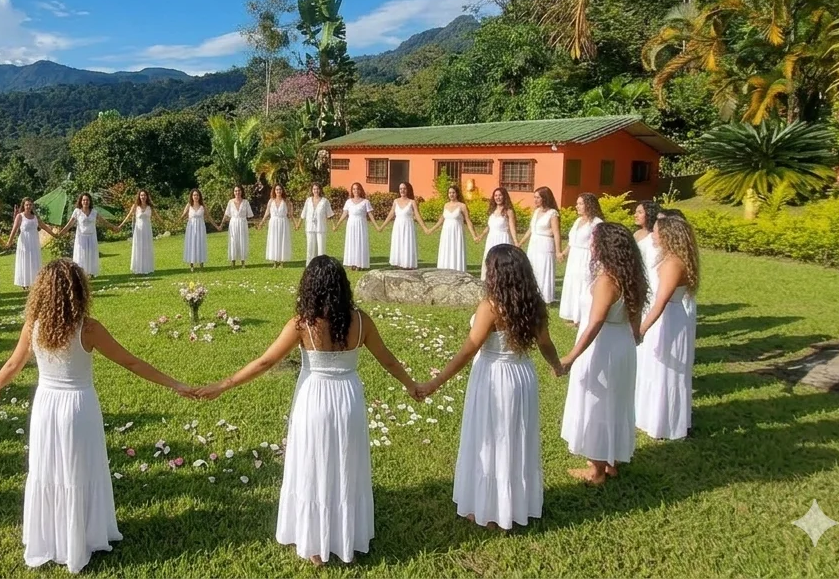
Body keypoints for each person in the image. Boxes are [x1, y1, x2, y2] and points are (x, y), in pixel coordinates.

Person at [194, 255, 421, 566]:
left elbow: (265, 362)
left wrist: (223, 385)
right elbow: (390, 361)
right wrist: (412, 385)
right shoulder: (361, 321)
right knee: (345, 465)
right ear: (342, 286)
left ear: (309, 287)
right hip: (348, 400)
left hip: (314, 399)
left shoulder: (303, 324)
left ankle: (316, 544)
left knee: (314, 466)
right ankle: (346, 538)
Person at [0, 259, 191, 573]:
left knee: (48, 469)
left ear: (41, 292)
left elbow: (13, 364)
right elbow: (130, 362)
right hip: (79, 407)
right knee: (80, 470)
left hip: (46, 407)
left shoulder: (34, 326)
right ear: (78, 290)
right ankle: (83, 537)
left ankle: (52, 537)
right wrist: (175, 383)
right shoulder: (88, 328)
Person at [416, 245, 564, 531]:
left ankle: (489, 508)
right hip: (522, 376)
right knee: (514, 439)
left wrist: (434, 383)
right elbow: (546, 344)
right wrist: (556, 365)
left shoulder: (491, 307)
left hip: (494, 377)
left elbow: (467, 351)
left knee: (491, 437)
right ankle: (513, 505)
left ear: (495, 273)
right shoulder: (533, 302)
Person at [559, 222, 647, 485]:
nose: (592, 245)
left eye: (595, 240)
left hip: (603, 346)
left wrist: (571, 356)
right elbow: (635, 316)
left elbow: (595, 322)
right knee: (615, 403)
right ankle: (609, 461)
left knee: (596, 403)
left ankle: (597, 471)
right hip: (622, 343)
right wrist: (635, 336)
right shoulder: (632, 275)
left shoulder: (608, 279)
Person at [635, 213, 701, 441]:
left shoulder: (673, 263)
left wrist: (641, 329)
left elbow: (661, 301)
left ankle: (664, 422)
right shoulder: (669, 258)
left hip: (667, 320)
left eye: (656, 231)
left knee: (665, 371)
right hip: (667, 317)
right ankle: (649, 416)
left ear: (667, 235)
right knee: (653, 368)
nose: (652, 235)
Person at [559, 194, 604, 326]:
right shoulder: (578, 221)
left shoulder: (596, 223)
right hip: (574, 257)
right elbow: (572, 242)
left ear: (589, 205)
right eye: (577, 203)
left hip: (586, 257)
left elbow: (599, 244)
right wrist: (564, 253)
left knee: (583, 284)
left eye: (580, 204)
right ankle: (572, 314)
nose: (577, 206)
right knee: (572, 284)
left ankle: (581, 317)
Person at [520, 188, 561, 304]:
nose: (535, 200)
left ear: (545, 198)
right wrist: (521, 242)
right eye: (535, 197)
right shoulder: (536, 211)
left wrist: (558, 251)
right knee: (532, 267)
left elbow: (556, 232)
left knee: (543, 269)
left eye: (538, 197)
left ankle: (544, 296)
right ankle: (532, 293)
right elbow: (531, 229)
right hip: (534, 243)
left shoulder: (552, 213)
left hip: (545, 244)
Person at [8, 199, 59, 290]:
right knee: (25, 260)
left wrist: (54, 234)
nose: (28, 206)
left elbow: (44, 226)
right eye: (27, 205)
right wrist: (9, 242)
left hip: (34, 241)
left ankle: (35, 281)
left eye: (30, 205)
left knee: (34, 260)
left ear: (32, 206)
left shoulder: (35, 217)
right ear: (23, 206)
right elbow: (14, 229)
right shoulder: (20, 216)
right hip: (24, 242)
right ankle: (24, 282)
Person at [62, 193, 114, 278]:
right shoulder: (77, 211)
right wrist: (61, 233)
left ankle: (90, 272)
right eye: (84, 200)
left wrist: (113, 228)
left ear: (90, 201)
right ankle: (81, 273)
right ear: (81, 201)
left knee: (91, 255)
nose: (85, 202)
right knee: (81, 256)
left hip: (92, 237)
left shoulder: (94, 212)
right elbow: (70, 224)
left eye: (87, 200)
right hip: (81, 238)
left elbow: (104, 222)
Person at [378, 182, 426, 270]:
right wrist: (382, 226)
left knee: (407, 243)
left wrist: (424, 228)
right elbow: (391, 214)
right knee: (398, 242)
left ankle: (407, 263)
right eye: (400, 189)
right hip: (398, 226)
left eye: (404, 188)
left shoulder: (412, 202)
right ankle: (398, 262)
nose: (402, 190)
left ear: (408, 190)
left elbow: (417, 215)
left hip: (408, 227)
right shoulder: (395, 201)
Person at [430, 185, 476, 272]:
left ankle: (457, 269)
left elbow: (468, 221)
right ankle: (444, 270)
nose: (451, 194)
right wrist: (431, 229)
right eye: (450, 193)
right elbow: (441, 220)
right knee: (446, 250)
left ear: (457, 194)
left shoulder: (462, 206)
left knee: (456, 250)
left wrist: (474, 235)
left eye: (453, 193)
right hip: (446, 233)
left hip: (457, 233)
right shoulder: (446, 205)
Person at [337, 183, 378, 271]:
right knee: (352, 242)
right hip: (351, 225)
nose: (355, 191)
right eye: (354, 189)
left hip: (361, 225)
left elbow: (370, 214)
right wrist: (338, 224)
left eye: (357, 189)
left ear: (360, 190)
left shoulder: (365, 202)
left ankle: (360, 263)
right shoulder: (348, 202)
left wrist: (376, 226)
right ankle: (353, 262)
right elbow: (344, 214)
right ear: (352, 191)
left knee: (360, 242)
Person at [481, 187, 518, 280]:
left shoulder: (508, 211)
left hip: (503, 239)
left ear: (504, 196)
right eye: (496, 195)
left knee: (502, 262)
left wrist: (516, 242)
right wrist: (480, 236)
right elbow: (489, 226)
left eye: (500, 195)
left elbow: (512, 228)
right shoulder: (492, 211)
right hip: (491, 239)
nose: (498, 197)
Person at [117, 189, 156, 276]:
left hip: (147, 231)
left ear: (147, 197)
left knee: (147, 248)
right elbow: (128, 216)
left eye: (144, 195)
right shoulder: (135, 206)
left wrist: (168, 224)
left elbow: (158, 217)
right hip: (138, 231)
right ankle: (138, 268)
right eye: (141, 195)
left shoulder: (150, 207)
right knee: (138, 248)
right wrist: (120, 225)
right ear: (139, 196)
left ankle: (147, 268)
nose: (143, 197)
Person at [633, 200, 663, 301]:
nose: (635, 215)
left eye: (640, 212)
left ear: (649, 214)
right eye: (636, 212)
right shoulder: (636, 233)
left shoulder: (654, 237)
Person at [297, 183, 334, 264]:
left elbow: (330, 214)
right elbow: (303, 213)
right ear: (312, 190)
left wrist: (333, 226)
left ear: (320, 190)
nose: (315, 191)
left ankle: (321, 266)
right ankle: (310, 265)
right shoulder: (308, 200)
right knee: (310, 248)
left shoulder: (325, 201)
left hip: (321, 228)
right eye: (314, 189)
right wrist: (298, 224)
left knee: (321, 248)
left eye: (317, 189)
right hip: (310, 228)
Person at [219, 184, 254, 268]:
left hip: (242, 223)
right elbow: (226, 214)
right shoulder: (230, 202)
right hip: (233, 224)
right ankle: (233, 262)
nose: (237, 192)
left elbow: (250, 215)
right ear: (233, 192)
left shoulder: (246, 202)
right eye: (235, 191)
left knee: (243, 241)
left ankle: (243, 262)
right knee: (233, 241)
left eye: (239, 190)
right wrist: (221, 225)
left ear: (241, 191)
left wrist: (257, 224)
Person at [261, 183, 293, 268]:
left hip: (283, 222)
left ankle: (282, 262)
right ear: (274, 191)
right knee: (273, 241)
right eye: (277, 189)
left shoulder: (286, 201)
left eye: (280, 189)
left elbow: (290, 213)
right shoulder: (271, 201)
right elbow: (267, 212)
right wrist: (262, 222)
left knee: (282, 241)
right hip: (273, 223)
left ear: (282, 191)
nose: (278, 191)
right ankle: (275, 262)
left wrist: (295, 223)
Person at [181, 189, 209, 270]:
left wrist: (217, 226)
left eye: (197, 195)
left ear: (199, 196)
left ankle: (201, 263)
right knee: (192, 243)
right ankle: (192, 265)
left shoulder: (202, 205)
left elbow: (208, 216)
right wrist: (176, 222)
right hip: (191, 228)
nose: (196, 197)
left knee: (200, 243)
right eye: (194, 195)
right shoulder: (189, 205)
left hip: (200, 227)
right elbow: (183, 216)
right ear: (191, 196)